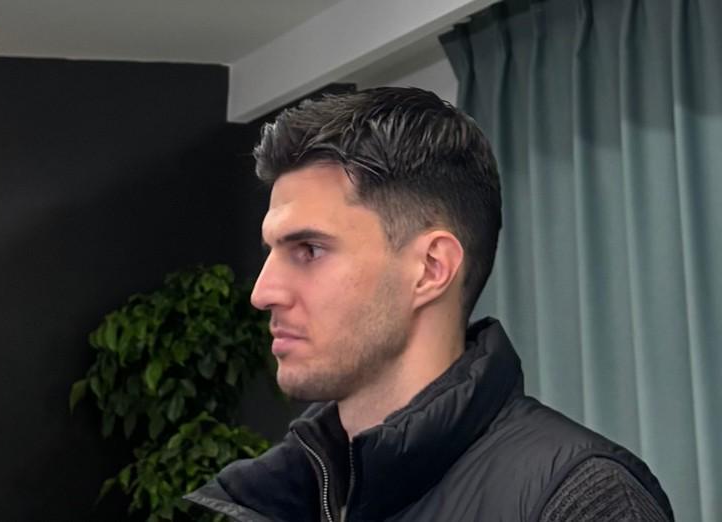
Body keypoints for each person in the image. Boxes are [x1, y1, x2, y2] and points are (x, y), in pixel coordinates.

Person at [186, 87, 673, 521]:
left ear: (431, 268)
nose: (262, 292)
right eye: (271, 252)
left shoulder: (584, 498)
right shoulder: (290, 496)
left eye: (309, 250)